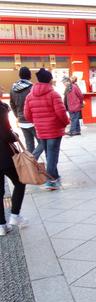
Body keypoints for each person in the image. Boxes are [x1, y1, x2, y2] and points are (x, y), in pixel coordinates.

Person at [24, 68, 69, 190]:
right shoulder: (53, 94)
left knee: (49, 153)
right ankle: (51, 180)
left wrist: (38, 121)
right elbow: (61, 113)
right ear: (49, 80)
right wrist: (66, 123)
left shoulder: (30, 96)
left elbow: (27, 115)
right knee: (53, 155)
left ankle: (55, 175)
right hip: (54, 129)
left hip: (40, 129)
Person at [0, 86, 27, 235]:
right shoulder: (1, 108)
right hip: (4, 155)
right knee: (20, 182)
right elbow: (5, 134)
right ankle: (15, 215)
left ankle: (1, 226)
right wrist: (13, 134)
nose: (2, 89)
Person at [9, 66, 43, 159]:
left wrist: (17, 116)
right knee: (43, 143)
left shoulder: (13, 88)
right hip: (32, 120)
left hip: (21, 121)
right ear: (29, 76)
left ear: (19, 75)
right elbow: (37, 104)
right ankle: (32, 160)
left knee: (29, 145)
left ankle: (31, 166)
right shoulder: (32, 88)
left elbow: (12, 104)